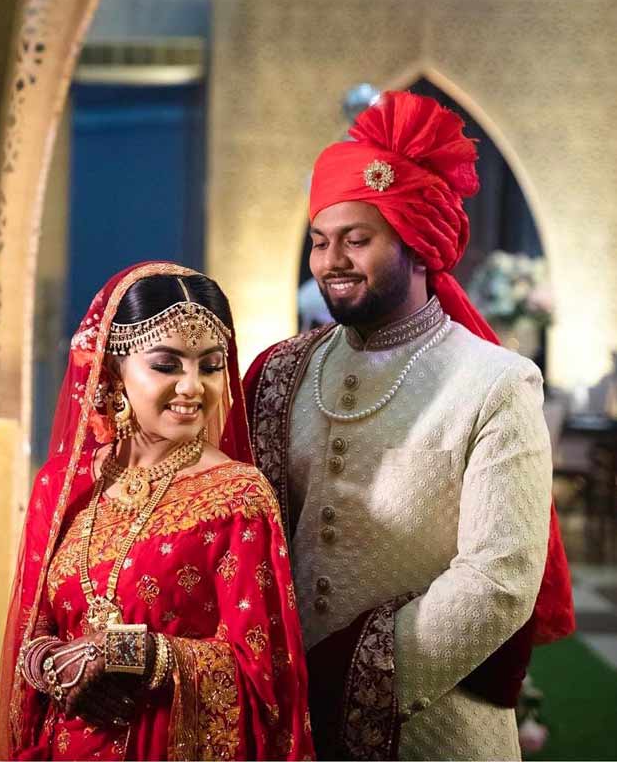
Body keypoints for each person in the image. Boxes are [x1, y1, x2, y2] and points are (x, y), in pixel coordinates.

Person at [242, 90, 575, 762]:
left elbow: (500, 579)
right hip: (290, 725)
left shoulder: (495, 383)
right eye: (320, 242)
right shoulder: (280, 371)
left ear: (417, 243)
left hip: (436, 729)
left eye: (357, 240)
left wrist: (350, 679)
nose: (331, 261)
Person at [0, 262, 313, 761]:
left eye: (210, 366)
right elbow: (32, 632)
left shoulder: (237, 497)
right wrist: (54, 665)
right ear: (115, 370)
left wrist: (139, 654)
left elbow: (266, 683)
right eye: (167, 365)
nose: (193, 387)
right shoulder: (62, 485)